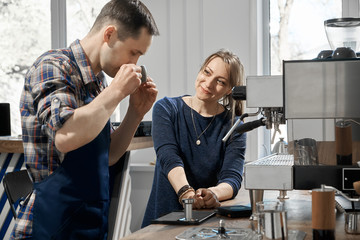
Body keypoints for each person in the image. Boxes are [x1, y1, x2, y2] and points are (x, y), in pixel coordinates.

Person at [12, 0, 159, 239]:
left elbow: (109, 156)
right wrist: (116, 92)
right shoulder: (53, 66)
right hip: (49, 225)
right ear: (109, 34)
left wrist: (136, 112)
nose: (135, 64)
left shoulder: (99, 82)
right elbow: (66, 137)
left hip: (90, 221)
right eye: (134, 53)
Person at [142, 49, 246, 227]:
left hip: (206, 223)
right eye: (207, 72)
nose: (209, 83)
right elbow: (168, 157)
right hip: (162, 219)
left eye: (220, 81)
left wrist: (212, 194)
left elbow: (232, 178)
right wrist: (186, 193)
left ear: (230, 90)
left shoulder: (234, 125)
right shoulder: (166, 108)